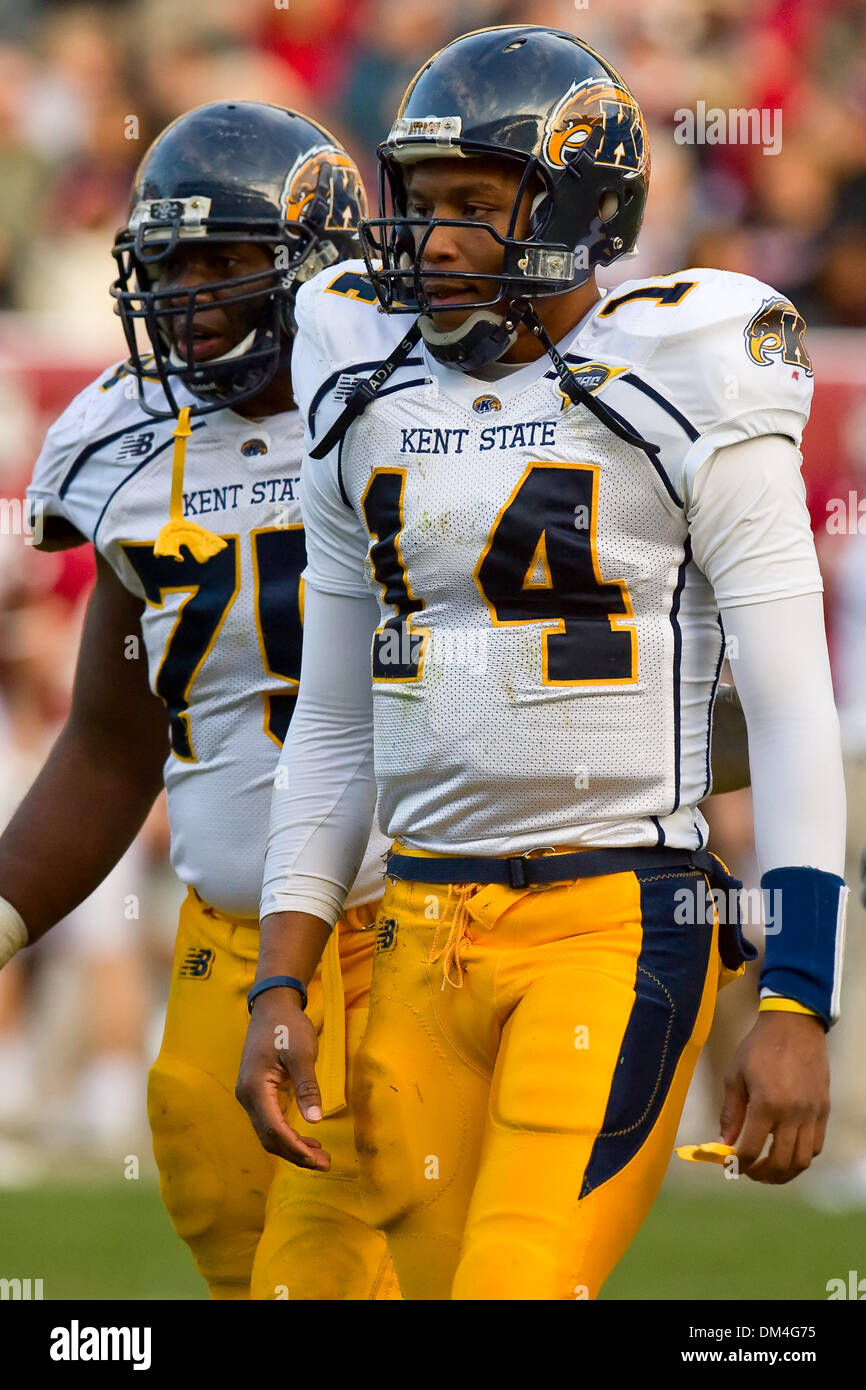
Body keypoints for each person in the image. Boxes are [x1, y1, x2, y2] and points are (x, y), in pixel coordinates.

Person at [237, 26, 848, 1302]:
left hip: (616, 917)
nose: (437, 239)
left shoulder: (695, 360)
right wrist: (280, 976)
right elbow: (337, 722)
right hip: (413, 931)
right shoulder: (361, 376)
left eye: (476, 204)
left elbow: (793, 712)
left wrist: (796, 999)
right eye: (420, 203)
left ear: (574, 204)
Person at [0, 101, 398, 1301]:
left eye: (228, 260)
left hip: (413, 927)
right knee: (233, 1250)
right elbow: (113, 749)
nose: (192, 293)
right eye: (171, 262)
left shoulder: (412, 413)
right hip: (220, 946)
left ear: (318, 267)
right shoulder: (124, 441)